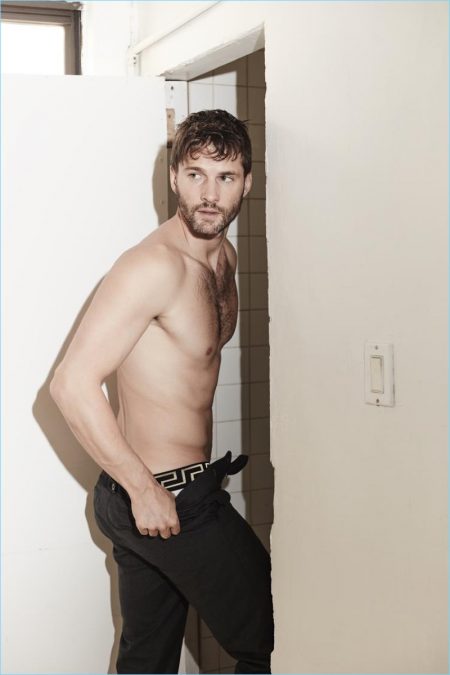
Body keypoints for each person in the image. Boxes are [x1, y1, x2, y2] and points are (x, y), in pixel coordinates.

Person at [50, 109, 274, 674]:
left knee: (147, 658)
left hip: (167, 492)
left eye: (225, 177)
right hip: (161, 495)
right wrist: (144, 490)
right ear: (174, 177)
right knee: (271, 637)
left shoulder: (223, 259)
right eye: (195, 174)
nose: (209, 194)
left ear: (246, 183)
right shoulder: (152, 267)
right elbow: (71, 384)